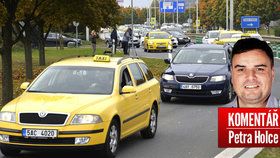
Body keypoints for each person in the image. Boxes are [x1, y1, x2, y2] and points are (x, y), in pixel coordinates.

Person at [228, 38, 279, 108]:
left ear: (272, 74)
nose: (251, 77)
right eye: (241, 70)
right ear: (232, 75)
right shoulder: (217, 118)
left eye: (259, 69)